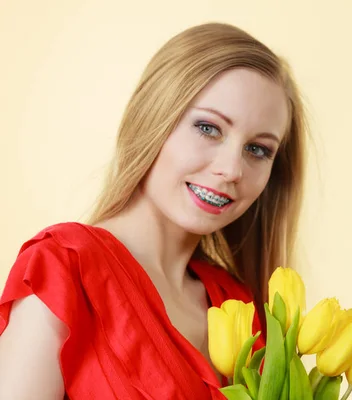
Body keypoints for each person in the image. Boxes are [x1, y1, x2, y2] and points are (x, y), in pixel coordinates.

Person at [0, 22, 307, 399]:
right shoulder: (64, 270)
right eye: (209, 128)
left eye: (258, 149)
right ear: (153, 117)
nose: (231, 169)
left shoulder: (243, 307)